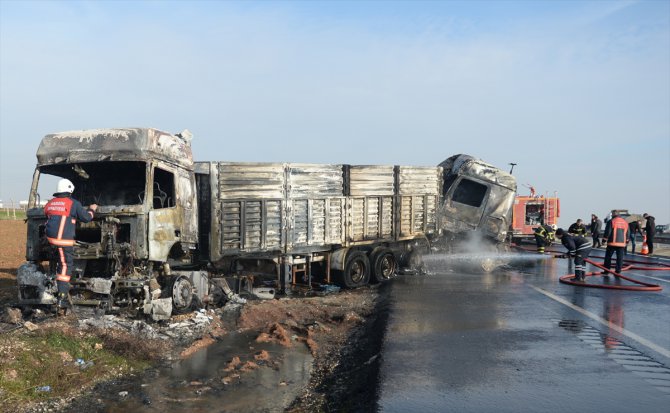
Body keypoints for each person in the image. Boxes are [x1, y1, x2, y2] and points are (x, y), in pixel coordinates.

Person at [44, 178, 97, 311]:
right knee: (65, 266)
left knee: (59, 262)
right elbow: (86, 218)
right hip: (62, 241)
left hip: (50, 239)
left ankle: (58, 286)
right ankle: (62, 297)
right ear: (70, 190)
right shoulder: (73, 203)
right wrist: (92, 209)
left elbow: (48, 214)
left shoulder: (50, 203)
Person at [603, 210, 628, 276]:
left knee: (608, 257)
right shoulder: (625, 222)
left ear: (613, 214)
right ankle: (618, 271)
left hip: (612, 242)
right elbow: (628, 232)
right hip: (622, 243)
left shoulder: (611, 221)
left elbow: (608, 231)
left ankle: (607, 270)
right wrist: (627, 240)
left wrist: (604, 240)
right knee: (620, 257)